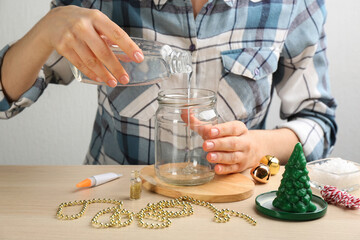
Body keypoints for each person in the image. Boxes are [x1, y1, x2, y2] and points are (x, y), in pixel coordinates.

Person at [0, 0, 337, 174]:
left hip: (234, 211)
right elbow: (5, 100)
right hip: (114, 201)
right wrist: (47, 30)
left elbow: (319, 121)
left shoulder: (293, 5)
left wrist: (258, 145)